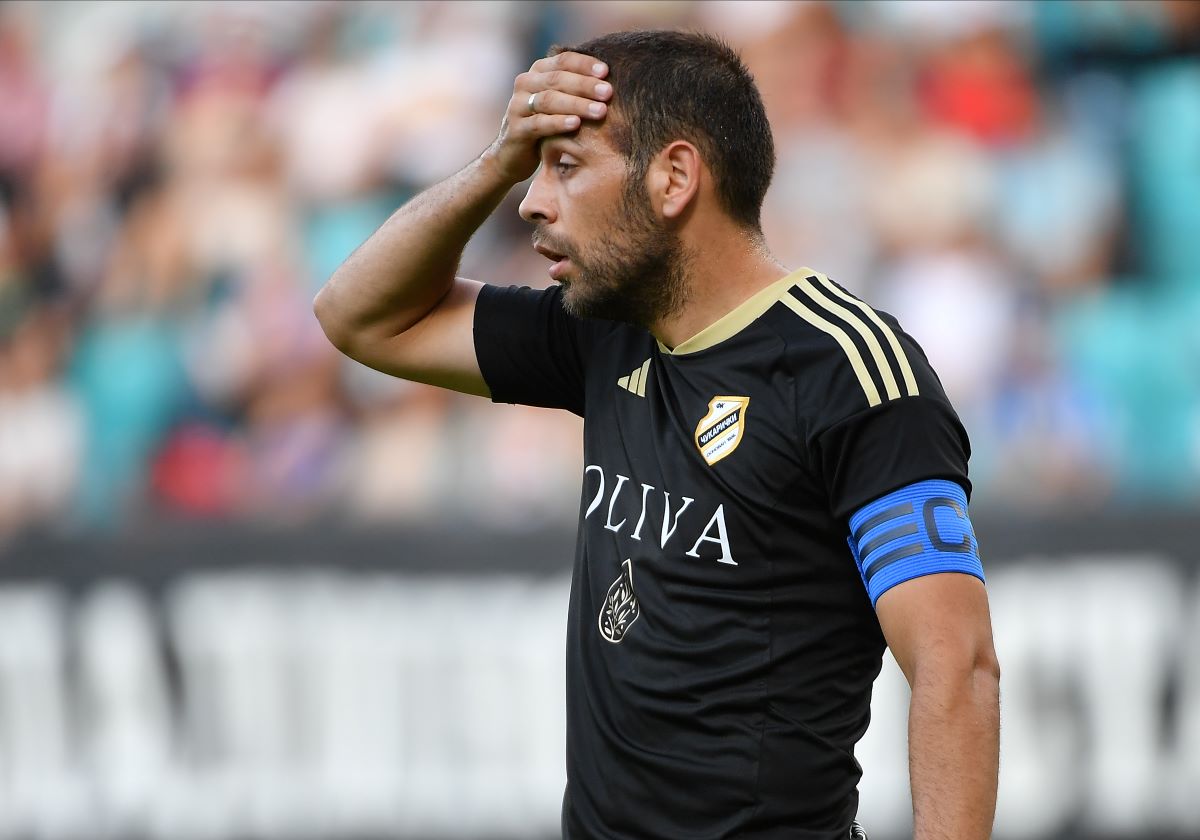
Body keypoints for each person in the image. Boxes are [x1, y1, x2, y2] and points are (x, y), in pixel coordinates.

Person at [314, 29, 1000, 840]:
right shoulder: (606, 332)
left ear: (674, 177)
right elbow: (358, 317)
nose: (532, 201)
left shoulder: (852, 373)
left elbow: (955, 667)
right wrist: (500, 156)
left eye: (565, 166)